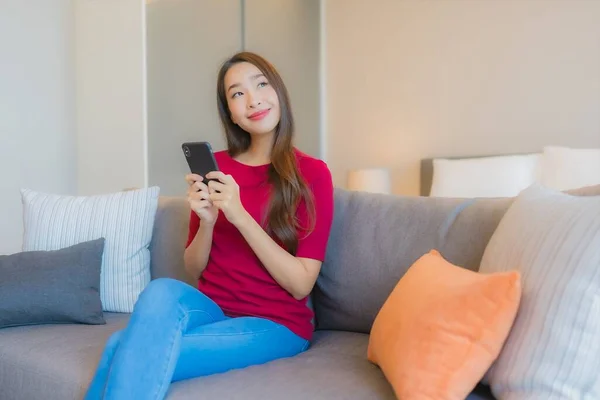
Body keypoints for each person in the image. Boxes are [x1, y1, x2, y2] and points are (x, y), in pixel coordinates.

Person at [84, 51, 335, 399]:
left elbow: (301, 284)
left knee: (119, 348)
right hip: (213, 309)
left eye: (261, 84)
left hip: (275, 324)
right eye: (237, 93)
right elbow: (194, 267)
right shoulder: (216, 166)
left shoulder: (312, 173)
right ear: (229, 112)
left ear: (278, 91)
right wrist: (206, 222)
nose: (253, 99)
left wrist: (240, 216)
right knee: (161, 290)